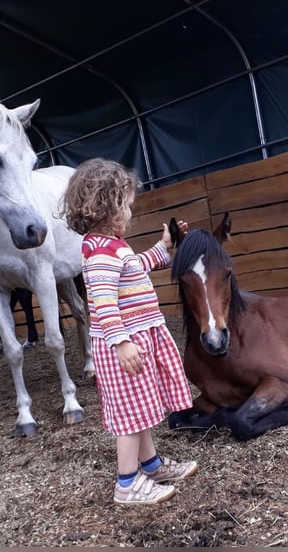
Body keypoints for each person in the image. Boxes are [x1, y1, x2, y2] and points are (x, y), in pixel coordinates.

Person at [60, 157, 197, 506]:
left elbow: (136, 267)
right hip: (125, 344)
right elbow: (103, 305)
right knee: (129, 417)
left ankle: (150, 465)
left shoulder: (114, 247)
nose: (131, 212)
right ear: (108, 205)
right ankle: (126, 483)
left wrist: (164, 247)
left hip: (137, 339)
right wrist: (121, 342)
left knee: (141, 408)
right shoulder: (101, 253)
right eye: (128, 205)